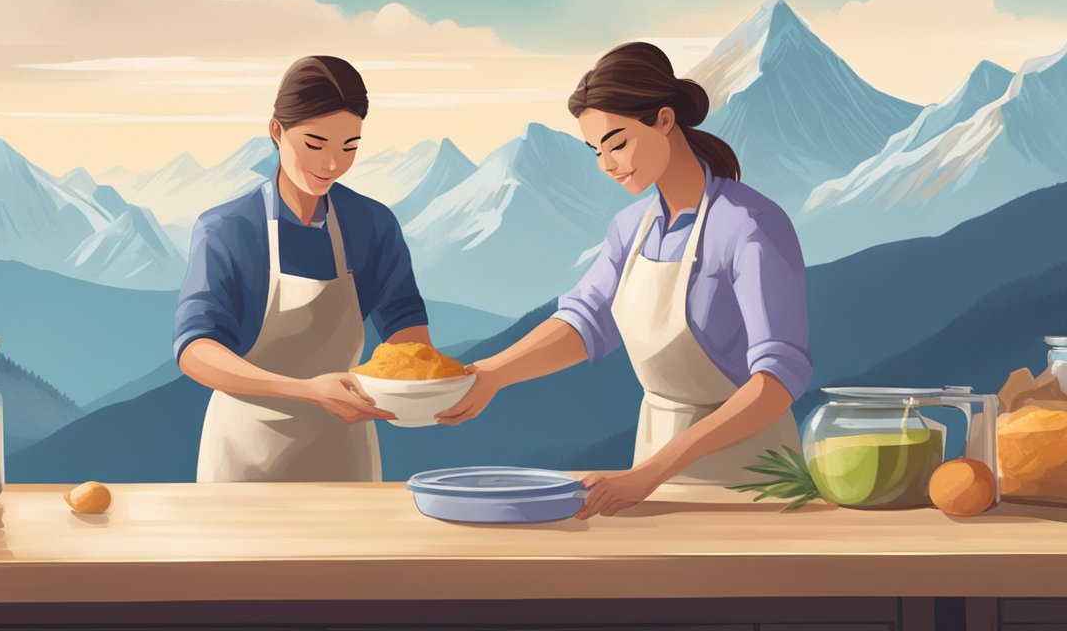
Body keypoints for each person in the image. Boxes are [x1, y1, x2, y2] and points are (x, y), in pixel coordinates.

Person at [436, 42, 810, 518]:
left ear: (665, 120)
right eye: (596, 150)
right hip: (650, 467)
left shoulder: (749, 224)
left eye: (618, 143)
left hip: (751, 477)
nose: (607, 164)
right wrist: (494, 373)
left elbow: (777, 380)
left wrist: (653, 473)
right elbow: (587, 320)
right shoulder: (632, 227)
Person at [175, 55, 431, 482]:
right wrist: (305, 391)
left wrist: (419, 388)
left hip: (344, 454)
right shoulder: (227, 229)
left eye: (349, 147)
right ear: (277, 131)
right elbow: (196, 350)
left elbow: (406, 329)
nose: (332, 164)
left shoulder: (371, 223)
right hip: (244, 458)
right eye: (316, 144)